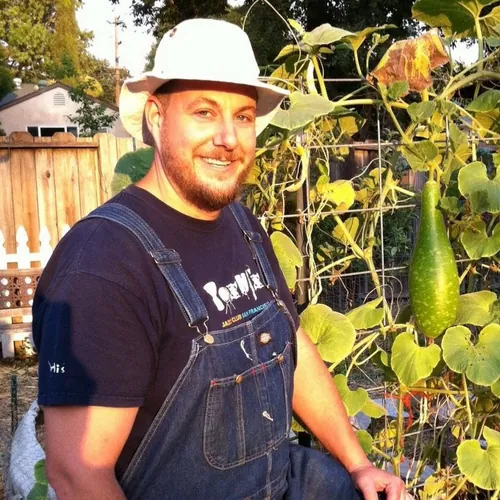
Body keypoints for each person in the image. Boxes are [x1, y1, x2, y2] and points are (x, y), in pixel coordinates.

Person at [33, 18, 410, 500]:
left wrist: (358, 464)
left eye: (244, 116)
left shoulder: (241, 225)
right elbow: (77, 474)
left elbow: (290, 344)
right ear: (156, 117)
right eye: (205, 112)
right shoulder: (105, 266)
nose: (229, 138)